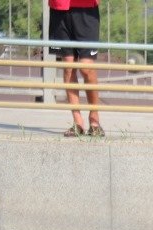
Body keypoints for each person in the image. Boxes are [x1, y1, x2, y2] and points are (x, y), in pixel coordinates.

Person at [48, 0, 104, 137]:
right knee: (68, 66)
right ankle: (77, 122)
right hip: (59, 8)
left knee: (86, 68)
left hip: (86, 9)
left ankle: (94, 120)